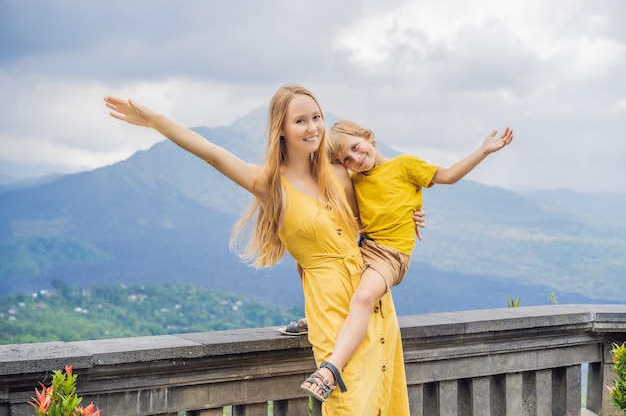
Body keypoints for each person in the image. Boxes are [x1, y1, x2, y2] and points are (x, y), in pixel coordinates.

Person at [104, 85, 411, 415]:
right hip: (331, 309)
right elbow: (212, 153)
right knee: (349, 406)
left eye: (317, 118)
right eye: (300, 121)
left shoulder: (338, 172)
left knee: (384, 401)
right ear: (281, 129)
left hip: (371, 304)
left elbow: (374, 220)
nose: (312, 128)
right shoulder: (270, 184)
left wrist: (411, 213)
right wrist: (155, 120)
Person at [300, 119, 513, 401]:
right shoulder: (353, 181)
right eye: (346, 159)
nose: (355, 158)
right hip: (365, 247)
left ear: (369, 136)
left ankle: (330, 372)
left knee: (363, 298)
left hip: (390, 255)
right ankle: (316, 318)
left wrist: (483, 151)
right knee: (311, 260)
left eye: (355, 147)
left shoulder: (405, 165)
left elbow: (448, 175)